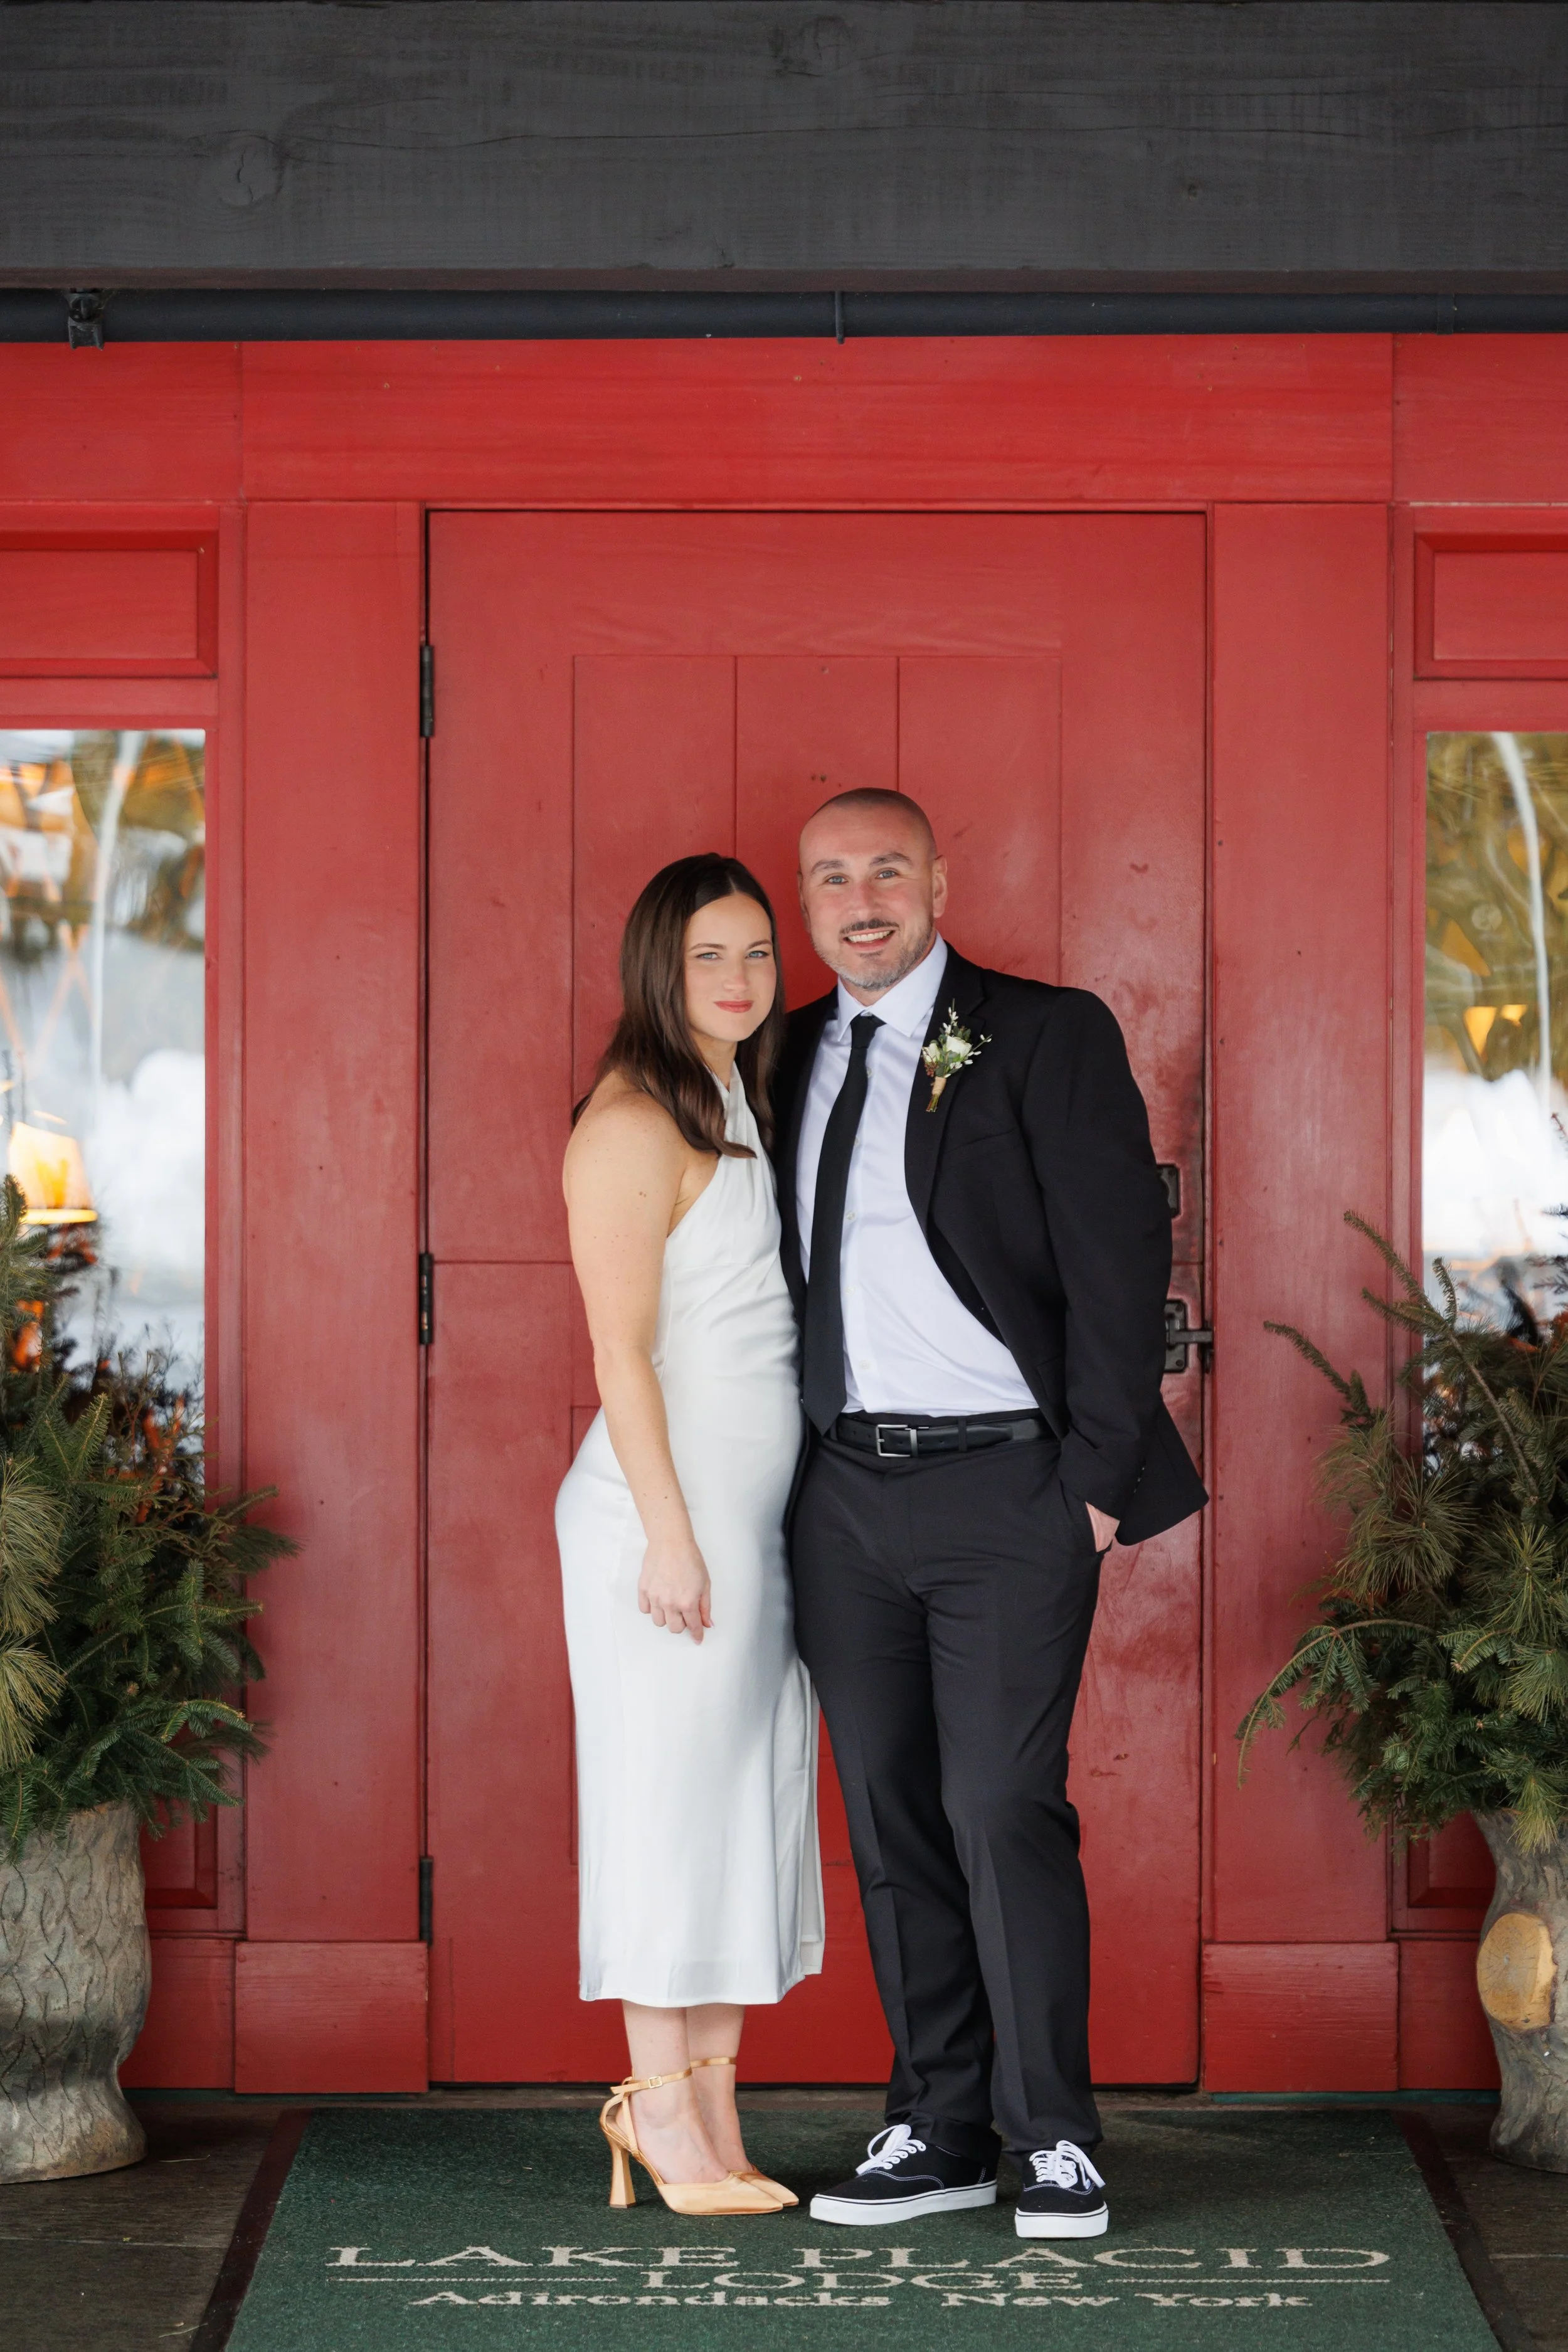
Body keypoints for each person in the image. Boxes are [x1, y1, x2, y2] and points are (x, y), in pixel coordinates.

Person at [775, 788, 1206, 2239]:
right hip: (840, 1495)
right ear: (806, 902)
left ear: (937, 883)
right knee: (889, 1816)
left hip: (1008, 1489)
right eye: (830, 878)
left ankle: (1053, 2140)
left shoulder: (1040, 1032)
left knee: (997, 1804)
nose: (860, 902)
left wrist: (1090, 1488)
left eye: (884, 870)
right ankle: (936, 2129)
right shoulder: (780, 1055)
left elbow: (1117, 1261)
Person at [557, 854, 821, 2218]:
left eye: (757, 953)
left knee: (739, 1807)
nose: (738, 978)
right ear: (656, 968)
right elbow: (620, 1352)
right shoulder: (627, 1123)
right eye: (708, 955)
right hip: (661, 1525)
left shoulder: (736, 1100)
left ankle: (714, 2105)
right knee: (667, 1811)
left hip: (747, 1523)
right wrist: (670, 1538)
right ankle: (653, 2111)